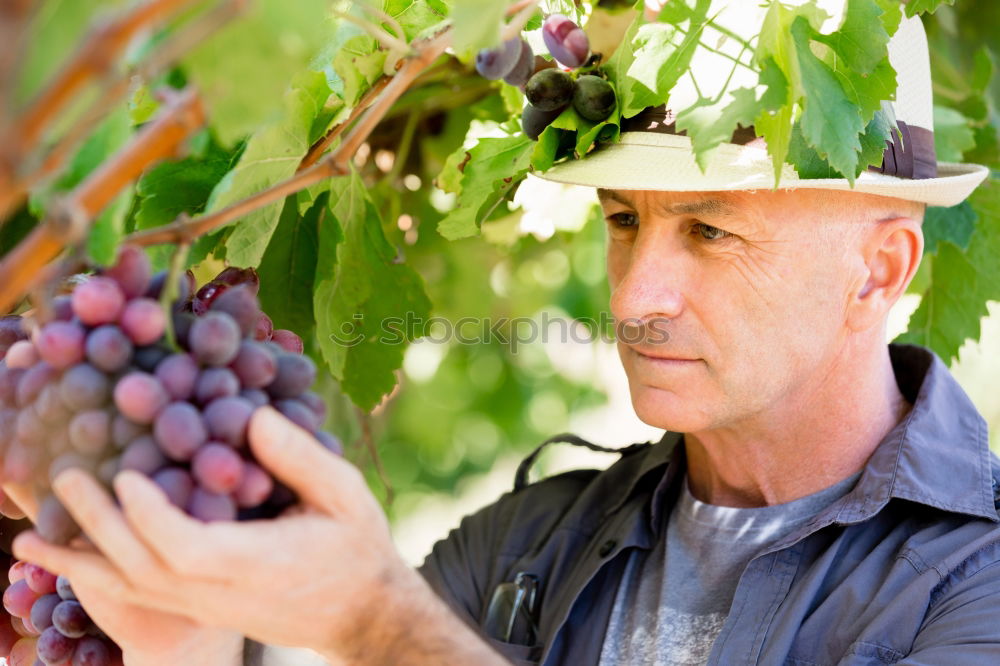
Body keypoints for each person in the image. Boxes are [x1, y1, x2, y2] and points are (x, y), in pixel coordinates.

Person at [6, 5, 996, 666]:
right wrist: (184, 642)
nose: (637, 294)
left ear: (881, 270)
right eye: (622, 221)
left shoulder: (977, 582)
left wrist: (373, 621)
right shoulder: (523, 545)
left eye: (708, 230)